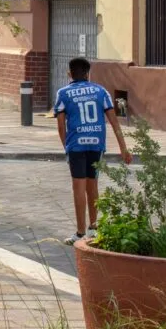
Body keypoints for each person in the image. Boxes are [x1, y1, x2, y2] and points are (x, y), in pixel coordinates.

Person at [55, 57, 133, 245]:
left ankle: (80, 232)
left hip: (76, 144)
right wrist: (123, 148)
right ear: (88, 74)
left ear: (69, 74)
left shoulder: (63, 94)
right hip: (96, 144)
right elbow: (114, 122)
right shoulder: (101, 91)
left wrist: (67, 147)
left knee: (78, 188)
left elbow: (61, 126)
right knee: (93, 185)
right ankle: (94, 228)